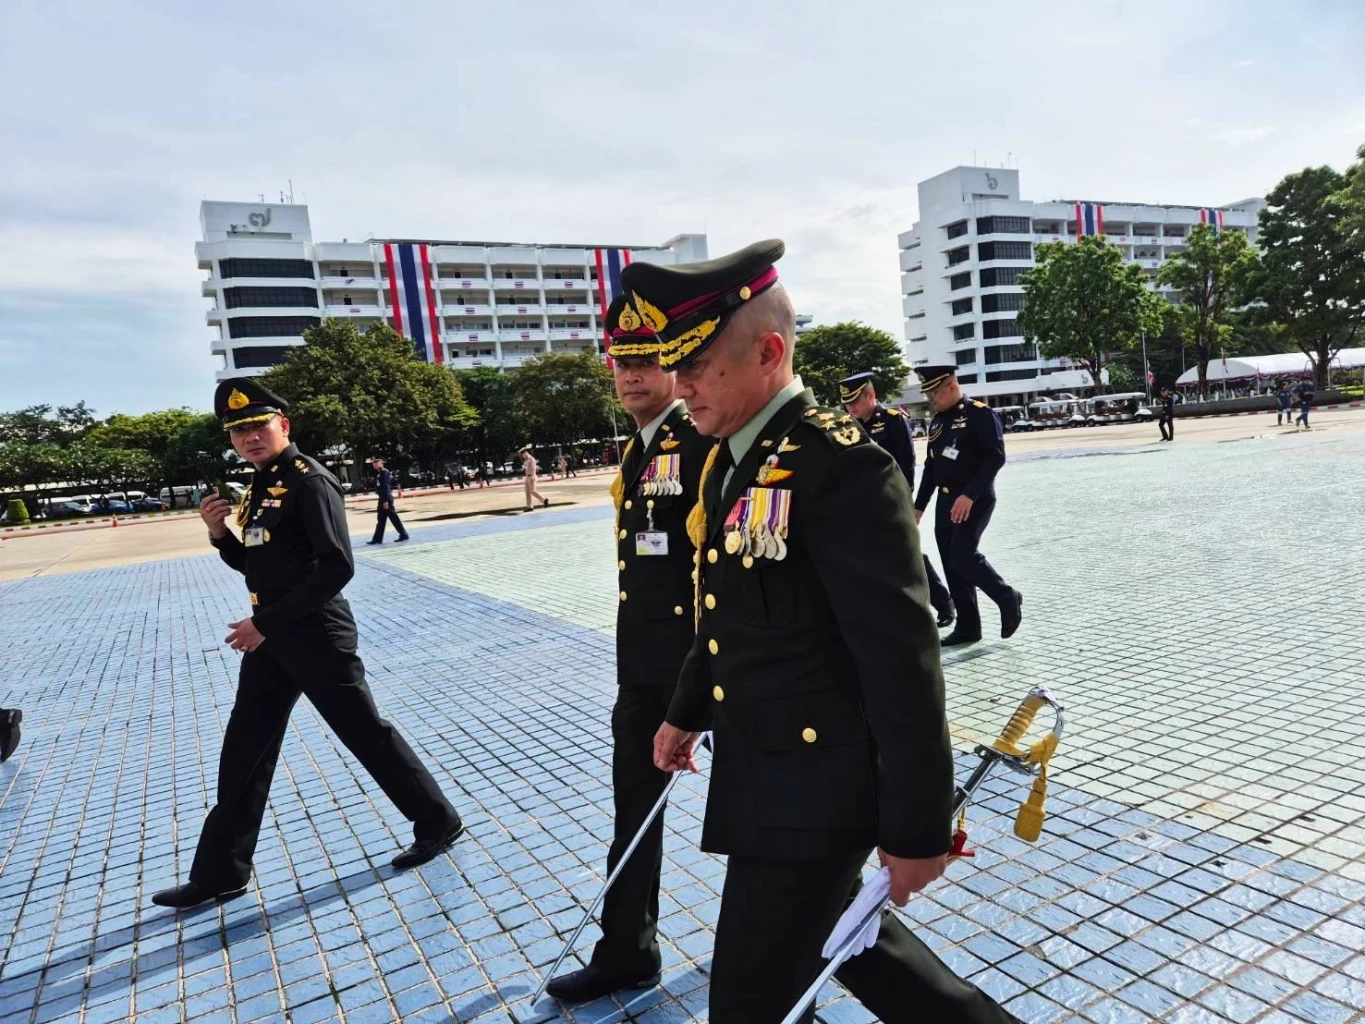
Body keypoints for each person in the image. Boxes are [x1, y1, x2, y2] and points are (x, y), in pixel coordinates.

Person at [631, 241, 1019, 1024]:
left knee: (748, 1005)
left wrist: (918, 827)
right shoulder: (731, 458)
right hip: (765, 768)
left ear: (769, 352)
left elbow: (901, 663)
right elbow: (728, 614)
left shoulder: (838, 467)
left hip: (816, 791)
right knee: (866, 956)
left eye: (698, 366)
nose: (681, 388)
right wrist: (687, 708)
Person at [151, 379, 464, 910]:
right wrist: (219, 533)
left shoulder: (309, 481)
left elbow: (336, 566)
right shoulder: (257, 487)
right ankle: (220, 873)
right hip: (272, 639)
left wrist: (265, 624)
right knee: (244, 750)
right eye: (240, 430)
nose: (250, 437)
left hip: (315, 634)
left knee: (366, 733)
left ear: (284, 426)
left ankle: (438, 822)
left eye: (259, 425)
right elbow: (256, 564)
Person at [545, 296, 712, 1004]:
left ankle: (808, 936)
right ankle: (625, 951)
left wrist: (704, 682)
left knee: (767, 813)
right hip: (645, 670)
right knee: (632, 815)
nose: (630, 375)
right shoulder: (640, 450)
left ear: (675, 368)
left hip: (713, 667)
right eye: (621, 362)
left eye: (646, 361)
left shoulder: (699, 442)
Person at [913, 365, 1023, 648]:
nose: (930, 398)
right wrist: (919, 506)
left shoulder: (980, 414)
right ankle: (968, 626)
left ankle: (1007, 596)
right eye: (927, 393)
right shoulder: (937, 422)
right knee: (951, 563)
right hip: (946, 500)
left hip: (974, 499)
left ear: (952, 385)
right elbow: (931, 467)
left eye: (934, 392)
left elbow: (995, 458)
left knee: (963, 555)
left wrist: (970, 495)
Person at [839, 371, 956, 628]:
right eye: (847, 404)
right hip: (863, 503)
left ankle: (944, 602)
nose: (851, 407)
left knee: (908, 552)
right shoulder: (850, 426)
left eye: (855, 401)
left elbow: (907, 462)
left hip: (892, 499)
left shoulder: (892, 420)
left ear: (871, 395)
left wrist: (902, 498)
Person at [366, 457, 409, 545]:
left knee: (393, 518)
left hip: (386, 499)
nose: (374, 464)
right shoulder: (379, 473)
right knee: (381, 520)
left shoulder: (384, 472)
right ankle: (377, 539)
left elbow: (385, 487)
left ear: (381, 463)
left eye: (376, 462)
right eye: (373, 463)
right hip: (382, 498)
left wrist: (385, 501)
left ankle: (403, 534)